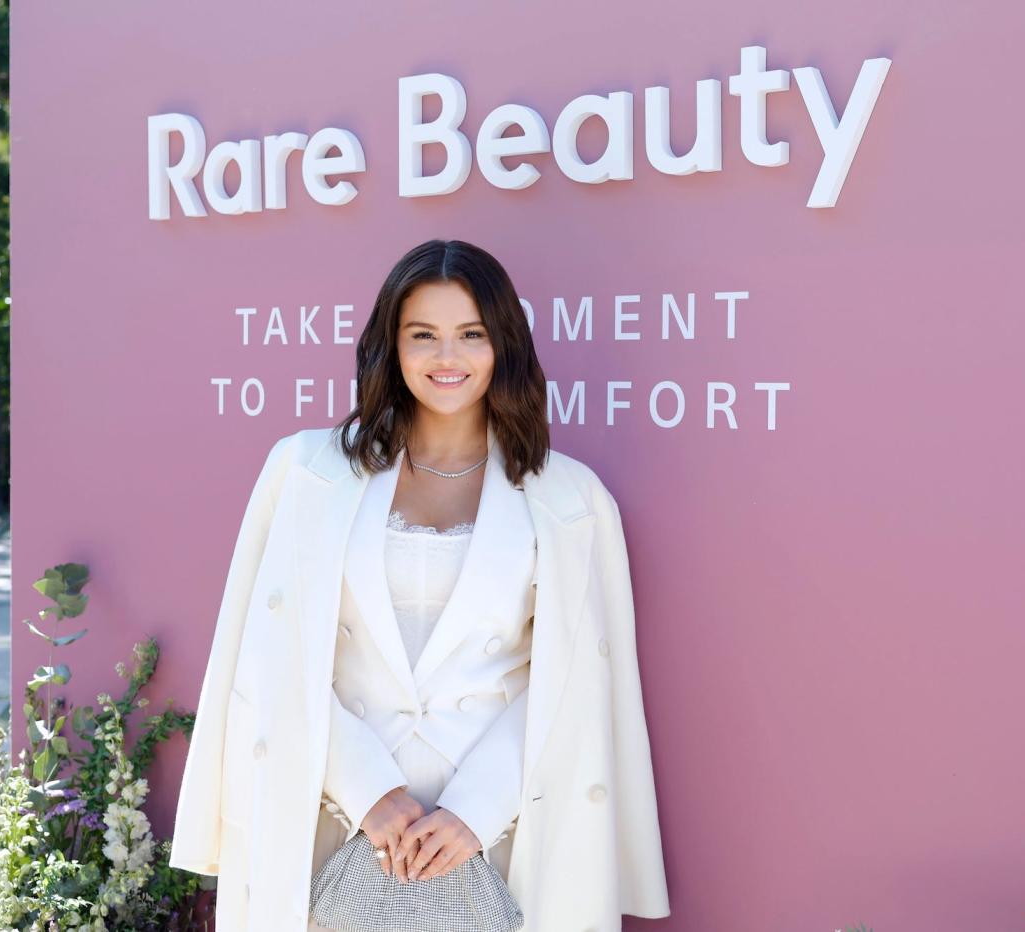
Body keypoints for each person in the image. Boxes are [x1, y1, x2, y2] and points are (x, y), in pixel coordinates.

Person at [170, 239, 670, 932]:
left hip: (497, 840)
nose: (447, 357)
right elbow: (269, 654)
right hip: (332, 825)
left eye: (471, 334)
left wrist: (477, 808)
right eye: (423, 335)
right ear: (389, 346)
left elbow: (573, 686)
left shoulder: (571, 500)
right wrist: (368, 790)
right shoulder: (305, 472)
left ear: (505, 347)